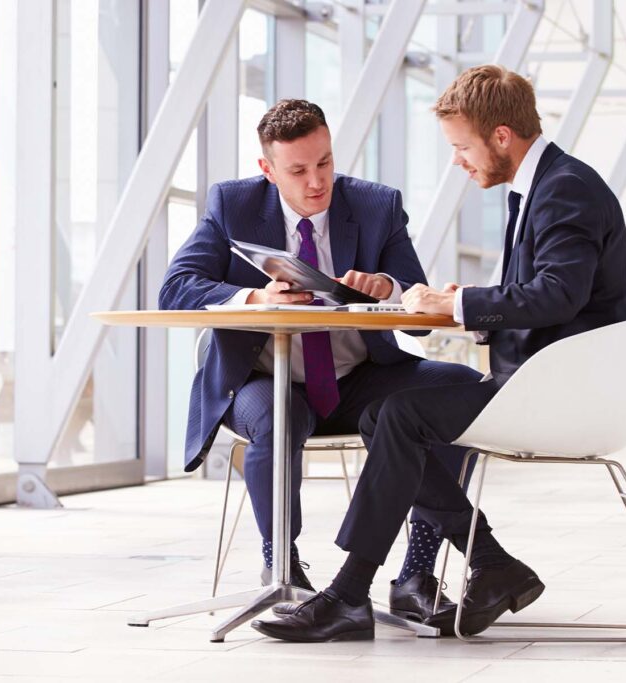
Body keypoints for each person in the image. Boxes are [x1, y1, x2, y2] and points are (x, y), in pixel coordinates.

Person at [251, 65, 626, 643]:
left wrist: (459, 307)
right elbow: (550, 296)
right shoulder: (545, 186)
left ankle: (351, 594)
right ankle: (488, 563)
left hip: (565, 393)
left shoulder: (565, 189)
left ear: (501, 137)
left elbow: (559, 295)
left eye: (462, 147)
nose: (459, 160)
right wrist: (460, 304)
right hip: (552, 381)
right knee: (389, 414)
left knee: (400, 414)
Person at [159, 99, 481, 623]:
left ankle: (417, 573)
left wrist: (389, 289)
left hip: (360, 380)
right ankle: (281, 568)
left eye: (325, 163)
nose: (317, 181)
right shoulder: (233, 204)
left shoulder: (376, 205)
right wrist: (256, 298)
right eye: (299, 170)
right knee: (278, 418)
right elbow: (176, 289)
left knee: (455, 392)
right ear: (268, 170)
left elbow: (419, 313)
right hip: (265, 380)